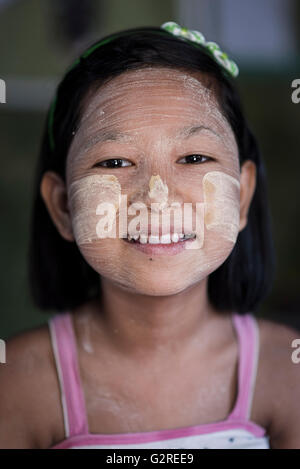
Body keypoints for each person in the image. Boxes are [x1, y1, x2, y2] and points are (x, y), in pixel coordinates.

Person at [1, 22, 299, 449]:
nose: (157, 198)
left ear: (243, 195)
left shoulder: (287, 370)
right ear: (64, 206)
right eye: (115, 162)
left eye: (194, 157)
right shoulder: (16, 382)